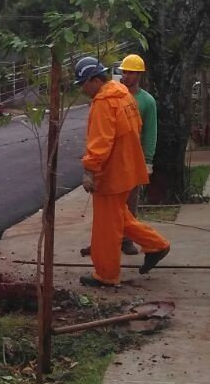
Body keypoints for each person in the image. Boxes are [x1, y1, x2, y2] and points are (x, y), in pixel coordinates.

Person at [73, 56, 170, 288]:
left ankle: (106, 275)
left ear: (95, 80)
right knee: (120, 216)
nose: (82, 89)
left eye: (83, 84)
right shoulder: (124, 96)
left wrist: (90, 170)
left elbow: (100, 142)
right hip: (127, 170)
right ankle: (157, 245)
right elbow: (136, 129)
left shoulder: (105, 103)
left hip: (111, 175)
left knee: (107, 227)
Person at [118, 54, 157, 256]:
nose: (126, 76)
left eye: (131, 72)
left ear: (139, 75)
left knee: (130, 202)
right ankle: (106, 238)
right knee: (109, 203)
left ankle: (127, 239)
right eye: (124, 72)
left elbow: (150, 132)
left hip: (134, 158)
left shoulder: (147, 101)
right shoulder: (115, 97)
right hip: (116, 158)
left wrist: (148, 160)